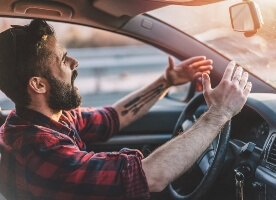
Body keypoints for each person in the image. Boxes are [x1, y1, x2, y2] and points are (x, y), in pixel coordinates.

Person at [0, 19, 251, 200]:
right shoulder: (40, 148)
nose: (75, 62)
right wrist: (219, 113)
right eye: (63, 60)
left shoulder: (45, 118)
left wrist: (167, 81)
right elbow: (150, 177)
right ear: (38, 84)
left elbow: (113, 116)